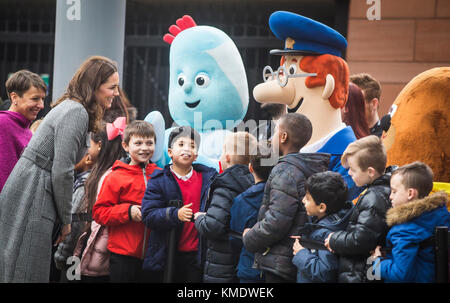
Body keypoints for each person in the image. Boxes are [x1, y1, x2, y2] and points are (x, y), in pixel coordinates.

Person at [0, 55, 119, 283]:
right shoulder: (76, 111)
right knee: (26, 270)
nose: (115, 92)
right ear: (95, 86)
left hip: (29, 188)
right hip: (33, 193)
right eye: (111, 87)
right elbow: (62, 170)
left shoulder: (71, 107)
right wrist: (66, 221)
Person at [242, 113, 330, 283]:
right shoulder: (313, 167)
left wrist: (250, 237)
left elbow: (276, 221)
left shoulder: (284, 171)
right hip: (300, 256)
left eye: (275, 131)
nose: (272, 136)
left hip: (281, 262)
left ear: (283, 137)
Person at [141, 126, 218, 283]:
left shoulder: (208, 179)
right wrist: (174, 214)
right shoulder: (158, 180)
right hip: (167, 254)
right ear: (170, 152)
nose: (187, 149)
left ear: (196, 155)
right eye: (181, 144)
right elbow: (148, 215)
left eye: (192, 145)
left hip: (197, 255)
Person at [92, 120, 160, 283]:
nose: (144, 147)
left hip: (153, 256)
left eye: (149, 143)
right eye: (138, 143)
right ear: (126, 146)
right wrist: (128, 212)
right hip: (123, 256)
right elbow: (99, 213)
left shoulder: (160, 175)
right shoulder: (115, 177)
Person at [324, 135, 393, 283]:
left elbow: (361, 240)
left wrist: (334, 239)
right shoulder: (382, 191)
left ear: (370, 171)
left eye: (353, 170)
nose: (349, 173)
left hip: (362, 273)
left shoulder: (374, 197)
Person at [194, 131, 257, 283]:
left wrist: (200, 218)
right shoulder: (257, 183)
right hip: (247, 261)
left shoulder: (226, 185)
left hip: (222, 264)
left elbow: (213, 226)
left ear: (227, 157)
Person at [371, 162, 450, 282]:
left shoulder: (405, 229)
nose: (390, 196)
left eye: (394, 191)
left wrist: (376, 263)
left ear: (410, 193)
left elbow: (400, 274)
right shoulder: (440, 214)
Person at [74, 120, 127, 283]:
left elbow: (75, 221)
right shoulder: (120, 174)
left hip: (87, 254)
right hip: (106, 256)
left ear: (99, 145)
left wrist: (62, 255)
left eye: (89, 143)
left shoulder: (93, 179)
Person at [292, 171, 354, 283]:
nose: (303, 201)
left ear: (321, 207)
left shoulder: (326, 234)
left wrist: (301, 253)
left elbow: (326, 273)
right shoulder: (332, 222)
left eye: (308, 198)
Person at [229, 142, 274, 283]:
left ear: (250, 168)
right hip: (278, 268)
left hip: (250, 267)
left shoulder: (242, 200)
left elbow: (235, 238)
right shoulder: (286, 196)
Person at [0, 69, 46, 192]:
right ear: (14, 97)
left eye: (42, 99)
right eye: (35, 98)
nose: (41, 105)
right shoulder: (3, 123)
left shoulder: (26, 128)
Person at [350, 73, 383, 137]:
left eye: (357, 102)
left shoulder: (385, 138)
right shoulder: (349, 135)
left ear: (374, 104)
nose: (349, 109)